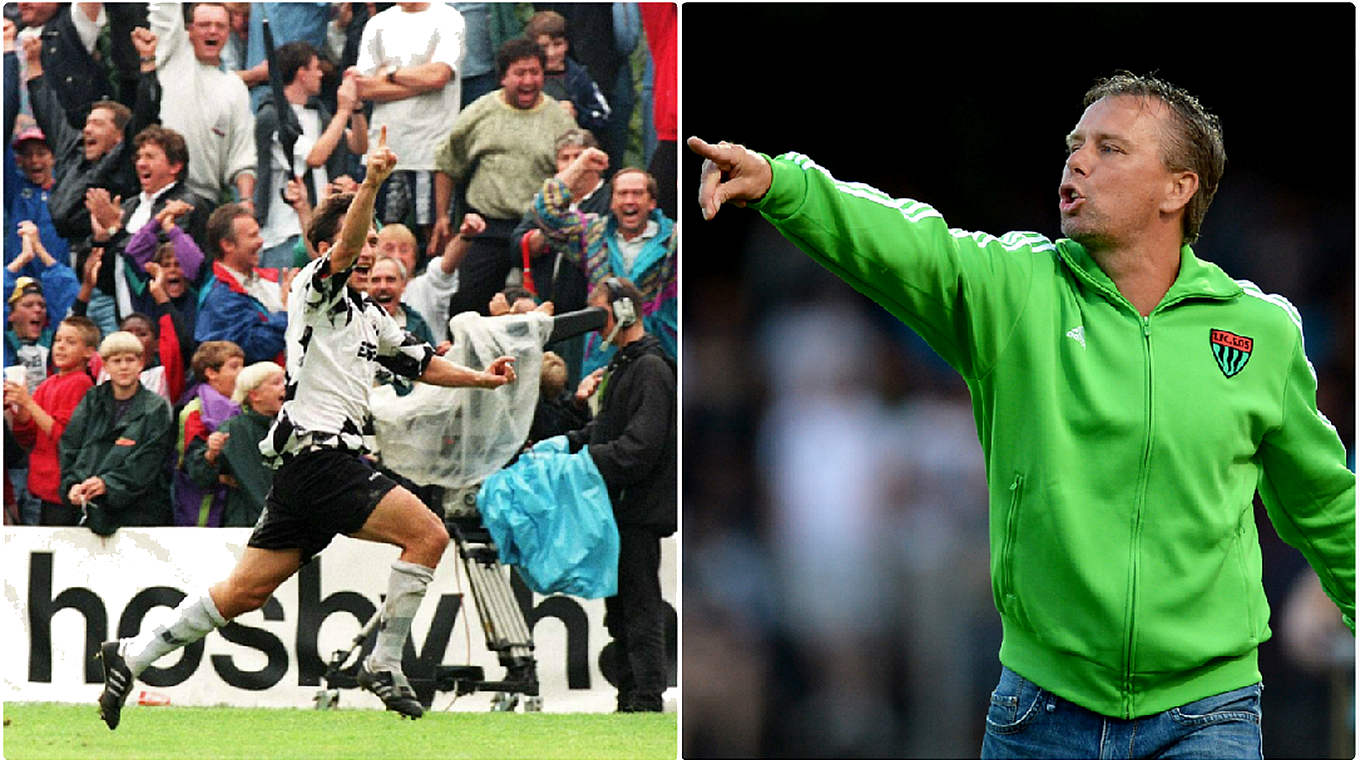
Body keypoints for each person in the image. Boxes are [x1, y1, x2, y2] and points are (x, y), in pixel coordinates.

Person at [688, 71, 1356, 758]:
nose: (1078, 160)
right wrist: (783, 185)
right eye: (1076, 144)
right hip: (1042, 711)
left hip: (1207, 715)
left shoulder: (1259, 331)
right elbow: (906, 244)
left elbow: (1325, 504)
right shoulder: (1015, 289)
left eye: (1110, 148)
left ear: (1177, 189)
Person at [95, 126, 518, 729]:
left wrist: (482, 380)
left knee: (244, 593)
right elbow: (343, 254)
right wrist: (371, 180)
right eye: (362, 239)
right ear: (324, 246)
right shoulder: (315, 292)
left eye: (376, 240)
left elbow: (422, 363)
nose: (372, 250)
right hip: (325, 458)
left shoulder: (370, 317)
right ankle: (386, 661)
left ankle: (132, 653)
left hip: (308, 468)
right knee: (427, 536)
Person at [565, 277, 676, 712]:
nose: (596, 325)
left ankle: (646, 697)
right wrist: (570, 440)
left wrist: (585, 460)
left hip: (637, 510)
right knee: (622, 608)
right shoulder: (626, 365)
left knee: (639, 605)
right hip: (620, 509)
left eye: (601, 313)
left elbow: (640, 447)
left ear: (625, 313)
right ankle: (631, 695)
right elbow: (610, 433)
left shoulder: (649, 368)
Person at [432, 37, 575, 317]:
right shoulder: (479, 113)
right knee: (467, 305)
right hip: (486, 226)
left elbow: (574, 175)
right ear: (503, 77)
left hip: (538, 230)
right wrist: (442, 217)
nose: (528, 81)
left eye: (534, 73)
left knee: (550, 304)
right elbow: (447, 163)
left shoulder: (560, 119)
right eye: (520, 73)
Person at [532, 147, 676, 375]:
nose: (629, 200)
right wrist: (580, 165)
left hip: (662, 358)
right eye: (622, 193)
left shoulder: (674, 242)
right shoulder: (593, 234)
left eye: (637, 193)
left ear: (651, 202)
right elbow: (546, 211)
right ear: (611, 202)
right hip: (602, 359)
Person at [23, 23, 161, 247]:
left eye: (97, 124)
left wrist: (147, 62)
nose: (87, 129)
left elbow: (146, 113)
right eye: (87, 123)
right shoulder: (73, 149)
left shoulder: (126, 159)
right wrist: (33, 63)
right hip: (65, 247)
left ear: (118, 136)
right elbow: (49, 112)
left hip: (106, 248)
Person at [348, 1, 465, 252]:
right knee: (377, 241)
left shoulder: (449, 18)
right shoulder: (377, 24)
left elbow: (439, 76)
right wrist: (419, 80)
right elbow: (363, 86)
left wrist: (389, 71)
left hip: (431, 153)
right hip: (384, 153)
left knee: (433, 242)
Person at [254, 39, 367, 269]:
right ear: (301, 73)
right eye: (315, 68)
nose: (321, 75)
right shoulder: (272, 116)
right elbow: (315, 157)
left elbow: (358, 145)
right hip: (285, 234)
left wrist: (355, 109)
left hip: (320, 230)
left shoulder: (318, 114)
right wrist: (343, 109)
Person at [85, 125, 211, 330]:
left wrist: (115, 231)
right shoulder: (128, 207)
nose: (141, 163)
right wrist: (101, 240)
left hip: (169, 318)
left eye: (150, 157)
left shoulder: (185, 204)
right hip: (125, 319)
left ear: (175, 165)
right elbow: (106, 279)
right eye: (139, 157)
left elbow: (155, 257)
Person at [513, 127, 605, 385]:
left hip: (582, 315)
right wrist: (539, 239)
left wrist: (561, 232)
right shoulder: (545, 201)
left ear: (596, 163)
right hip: (542, 311)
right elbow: (515, 246)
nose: (572, 164)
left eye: (579, 156)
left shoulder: (609, 199)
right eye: (565, 158)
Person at [59, 329, 175, 532]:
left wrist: (108, 484)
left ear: (141, 363)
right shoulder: (92, 400)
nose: (123, 367)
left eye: (130, 360)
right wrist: (72, 485)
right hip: (88, 509)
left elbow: (148, 462)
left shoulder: (156, 408)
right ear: (105, 365)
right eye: (116, 360)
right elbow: (70, 446)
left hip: (140, 513)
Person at [148, 2, 256, 213]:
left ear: (228, 31)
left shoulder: (235, 87)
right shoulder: (173, 58)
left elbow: (243, 155)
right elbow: (164, 9)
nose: (213, 31)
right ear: (189, 30)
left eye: (220, 26)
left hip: (203, 201)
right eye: (204, 24)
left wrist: (245, 201)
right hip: (160, 191)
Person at [5, 314, 98, 525]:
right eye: (58, 340)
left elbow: (65, 437)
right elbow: (27, 435)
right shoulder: (48, 384)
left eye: (71, 342)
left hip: (64, 488)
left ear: (89, 352)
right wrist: (17, 405)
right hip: (41, 486)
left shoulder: (81, 384)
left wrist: (28, 403)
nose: (61, 347)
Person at [190, 359, 284, 527]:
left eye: (285, 381)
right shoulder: (234, 428)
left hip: (292, 524)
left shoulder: (294, 426)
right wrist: (211, 454)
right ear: (255, 395)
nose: (285, 386)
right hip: (246, 525)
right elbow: (201, 476)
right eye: (276, 383)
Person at [194, 202, 289, 364]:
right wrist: (287, 311)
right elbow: (250, 349)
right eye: (252, 236)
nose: (260, 241)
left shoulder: (266, 280)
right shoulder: (220, 298)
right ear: (227, 245)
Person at [375, 212, 482, 348]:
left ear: (414, 257)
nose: (397, 256)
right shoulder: (363, 293)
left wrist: (465, 237)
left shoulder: (428, 285)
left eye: (404, 250)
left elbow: (447, 265)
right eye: (389, 249)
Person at [173, 340, 243, 526]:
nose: (241, 373)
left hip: (234, 505)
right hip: (201, 505)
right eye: (234, 367)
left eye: (243, 366)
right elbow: (188, 464)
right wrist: (216, 468)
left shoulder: (244, 406)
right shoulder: (194, 411)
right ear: (211, 373)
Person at [525, 10, 611, 137]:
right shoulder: (524, 78)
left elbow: (603, 115)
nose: (551, 53)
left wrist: (577, 113)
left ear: (566, 44)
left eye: (557, 44)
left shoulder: (578, 77)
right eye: (543, 47)